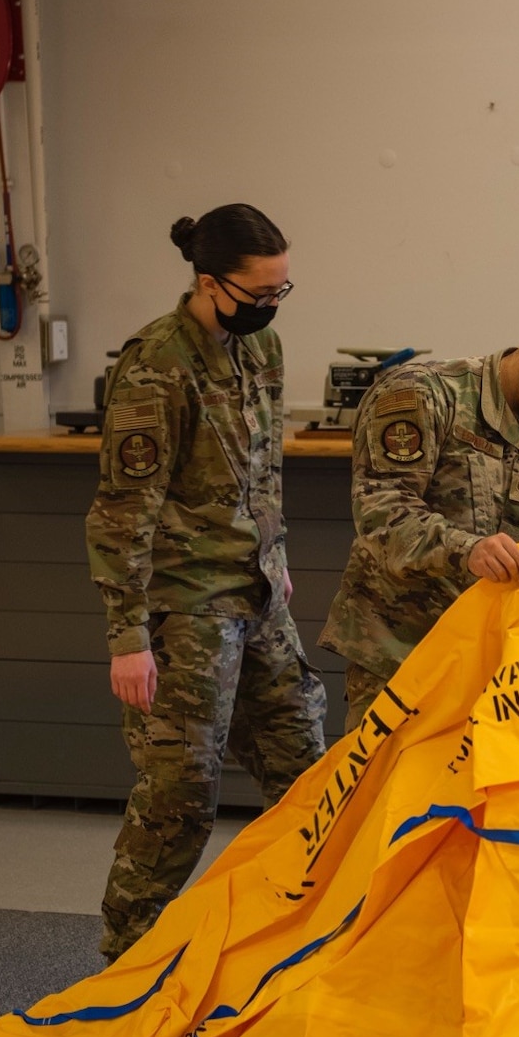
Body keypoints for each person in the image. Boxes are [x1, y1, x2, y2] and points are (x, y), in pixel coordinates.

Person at [86, 202, 327, 962]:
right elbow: (123, 510)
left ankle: (303, 947)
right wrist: (128, 638)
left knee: (310, 775)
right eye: (259, 294)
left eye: (281, 291)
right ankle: (124, 964)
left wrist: (275, 553)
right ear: (208, 282)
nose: (270, 307)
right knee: (179, 797)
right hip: (185, 607)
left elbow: (262, 465)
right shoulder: (156, 365)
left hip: (255, 593)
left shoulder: (265, 350)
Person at [321, 295, 519, 722]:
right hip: (403, 660)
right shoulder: (425, 394)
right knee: (395, 790)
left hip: (515, 683)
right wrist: (467, 550)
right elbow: (382, 511)